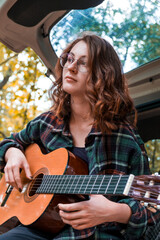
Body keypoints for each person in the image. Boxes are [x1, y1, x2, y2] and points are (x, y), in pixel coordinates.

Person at [0, 32, 159, 240]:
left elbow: (151, 214)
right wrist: (12, 152)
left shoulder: (125, 138)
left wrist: (116, 212)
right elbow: (10, 142)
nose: (71, 67)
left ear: (102, 75)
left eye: (83, 63)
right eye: (70, 58)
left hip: (94, 235)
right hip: (37, 228)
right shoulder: (47, 122)